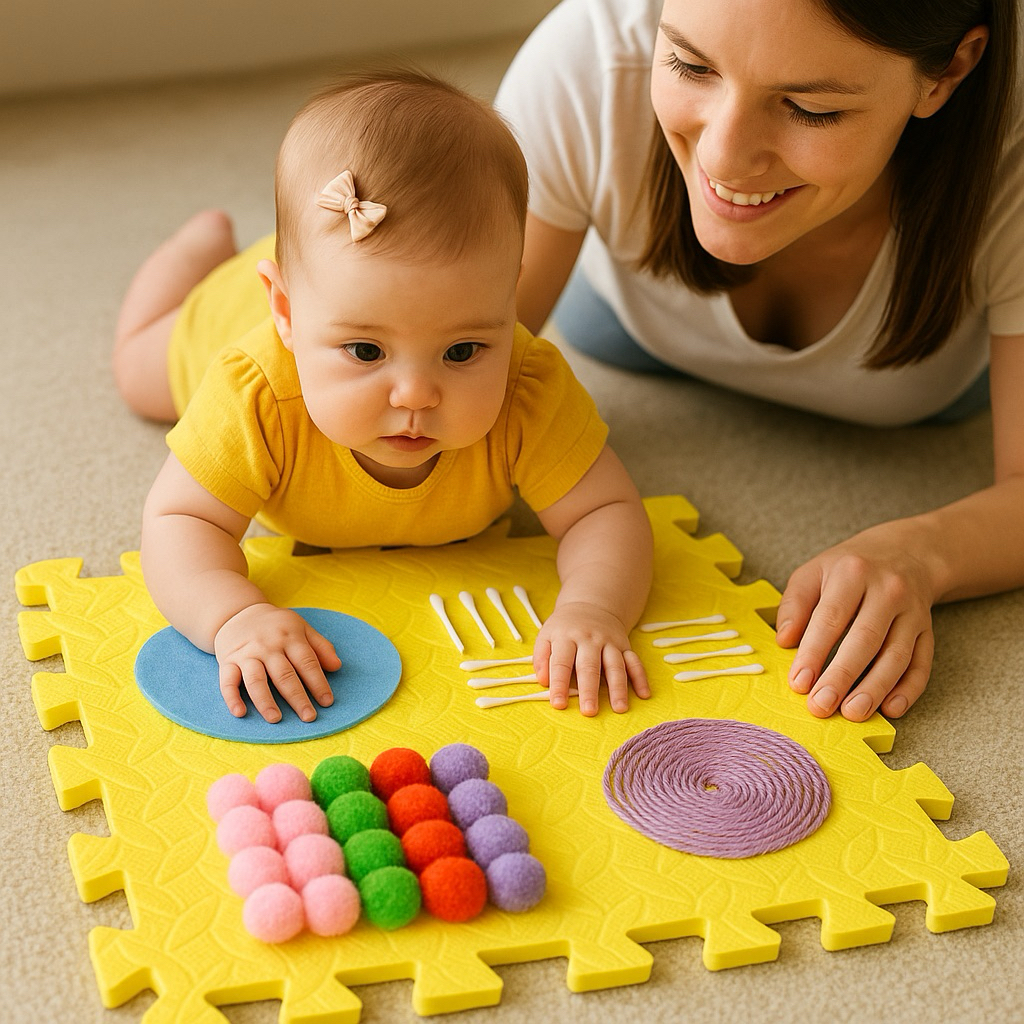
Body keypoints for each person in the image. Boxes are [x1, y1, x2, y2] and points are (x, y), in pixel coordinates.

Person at [494, 0, 1024, 723]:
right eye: (688, 65)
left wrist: (924, 552)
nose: (721, 158)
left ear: (948, 72)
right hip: (625, 321)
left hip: (924, 387)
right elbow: (441, 361)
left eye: (809, 108)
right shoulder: (589, 54)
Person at [111, 68, 653, 724]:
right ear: (285, 308)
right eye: (367, 352)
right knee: (136, 373)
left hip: (329, 282)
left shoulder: (529, 389)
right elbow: (180, 521)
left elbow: (607, 513)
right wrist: (233, 615)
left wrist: (593, 608)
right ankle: (196, 248)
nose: (417, 393)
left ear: (508, 300)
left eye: (462, 351)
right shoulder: (254, 393)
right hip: (227, 313)